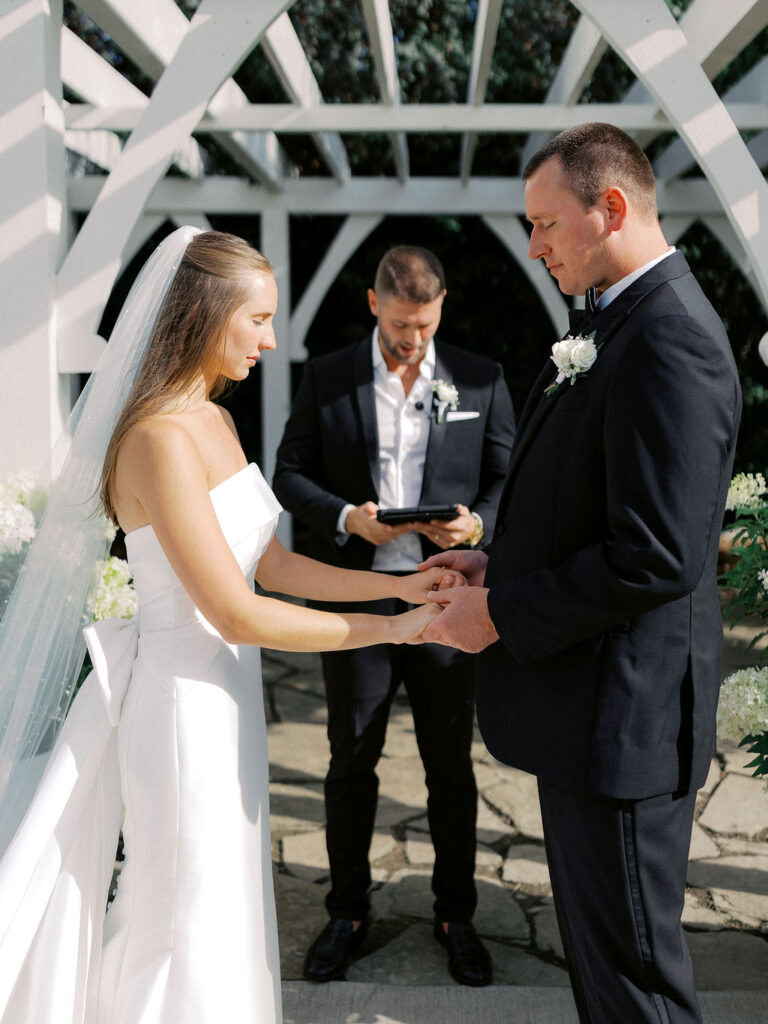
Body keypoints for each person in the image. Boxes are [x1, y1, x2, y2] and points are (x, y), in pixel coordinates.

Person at [0, 228, 463, 1024]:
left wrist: (400, 586)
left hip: (228, 697)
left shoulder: (212, 419)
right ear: (206, 313)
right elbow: (235, 611)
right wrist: (394, 630)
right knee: (182, 916)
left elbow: (272, 566)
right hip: (181, 708)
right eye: (258, 318)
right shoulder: (156, 438)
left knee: (224, 904)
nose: (271, 339)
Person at [420, 123, 741, 1023]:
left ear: (611, 208)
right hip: (589, 716)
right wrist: (500, 558)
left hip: (624, 724)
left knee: (636, 992)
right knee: (605, 984)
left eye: (545, 223)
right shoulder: (618, 320)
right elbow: (597, 505)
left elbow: (657, 554)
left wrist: (500, 613)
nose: (534, 246)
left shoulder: (671, 337)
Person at [272, 245, 515, 986]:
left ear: (441, 309)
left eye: (426, 324)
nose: (414, 339)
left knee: (450, 764)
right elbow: (288, 474)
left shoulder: (480, 377)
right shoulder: (328, 376)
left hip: (445, 595)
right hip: (357, 598)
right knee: (351, 758)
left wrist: (476, 526)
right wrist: (348, 518)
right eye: (403, 323)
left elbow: (510, 478)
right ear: (375, 303)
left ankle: (456, 915)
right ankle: (346, 913)